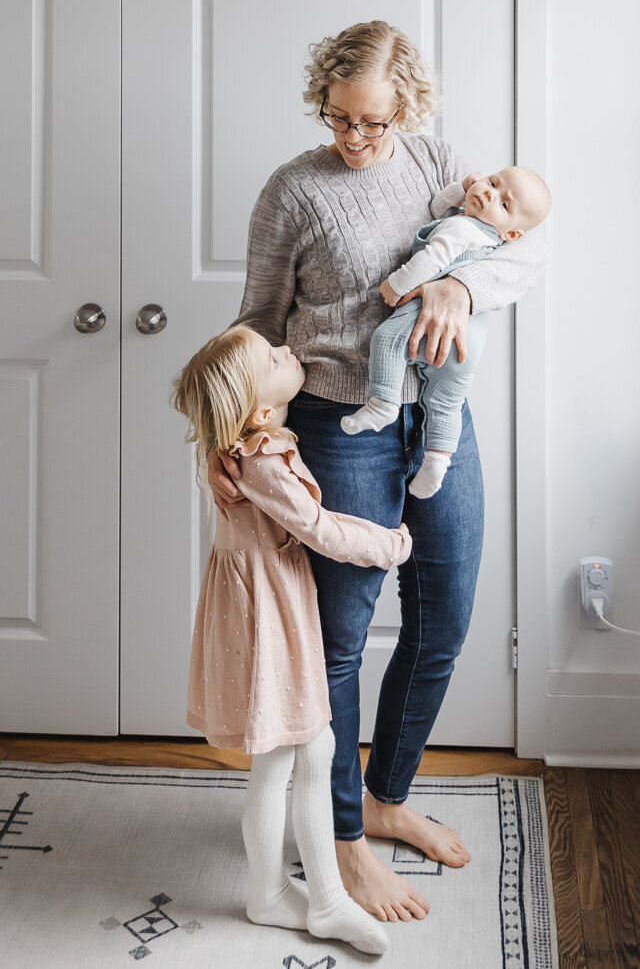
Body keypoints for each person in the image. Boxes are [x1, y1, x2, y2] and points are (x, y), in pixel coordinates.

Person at [208, 20, 548, 924]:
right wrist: (232, 438)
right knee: (343, 637)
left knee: (446, 614)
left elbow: (518, 249)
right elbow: (257, 321)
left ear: (408, 108)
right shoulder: (293, 192)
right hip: (334, 423)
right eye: (338, 119)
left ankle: (390, 793)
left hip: (434, 417)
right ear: (323, 100)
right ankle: (344, 842)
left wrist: (461, 288)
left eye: (373, 123)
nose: (355, 141)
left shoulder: (439, 161)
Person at [173, 324, 413, 957]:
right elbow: (321, 529)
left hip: (263, 608)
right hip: (268, 617)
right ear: (258, 408)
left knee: (287, 759)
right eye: (274, 358)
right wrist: (392, 543)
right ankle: (315, 900)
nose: (289, 352)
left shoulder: (242, 448)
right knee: (298, 752)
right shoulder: (265, 461)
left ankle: (275, 891)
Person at [341, 165, 551, 498]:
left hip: (425, 321)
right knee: (445, 403)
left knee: (386, 340)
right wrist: (462, 189)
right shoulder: (486, 234)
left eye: (504, 203)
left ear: (513, 234)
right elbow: (440, 205)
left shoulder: (462, 229)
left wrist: (396, 287)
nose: (489, 193)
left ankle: (382, 403)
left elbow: (430, 260)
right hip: (468, 341)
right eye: (493, 182)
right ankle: (437, 463)